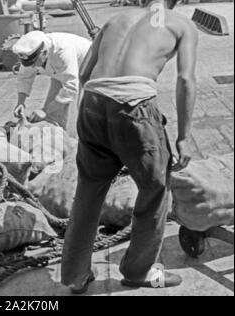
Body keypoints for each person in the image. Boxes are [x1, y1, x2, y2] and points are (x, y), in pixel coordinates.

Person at [61, 0, 198, 293]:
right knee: (156, 188)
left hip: (93, 103)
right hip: (134, 109)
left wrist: (91, 116)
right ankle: (140, 271)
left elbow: (85, 75)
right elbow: (185, 79)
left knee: (88, 190)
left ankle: (75, 275)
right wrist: (184, 137)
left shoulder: (115, 19)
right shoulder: (181, 24)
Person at [12, 31, 92, 131]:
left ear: (44, 53)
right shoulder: (32, 54)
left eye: (35, 63)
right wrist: (21, 103)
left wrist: (45, 110)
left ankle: (79, 140)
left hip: (89, 69)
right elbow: (25, 77)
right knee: (52, 115)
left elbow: (71, 88)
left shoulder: (62, 51)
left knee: (82, 111)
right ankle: (59, 138)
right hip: (60, 73)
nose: (33, 67)